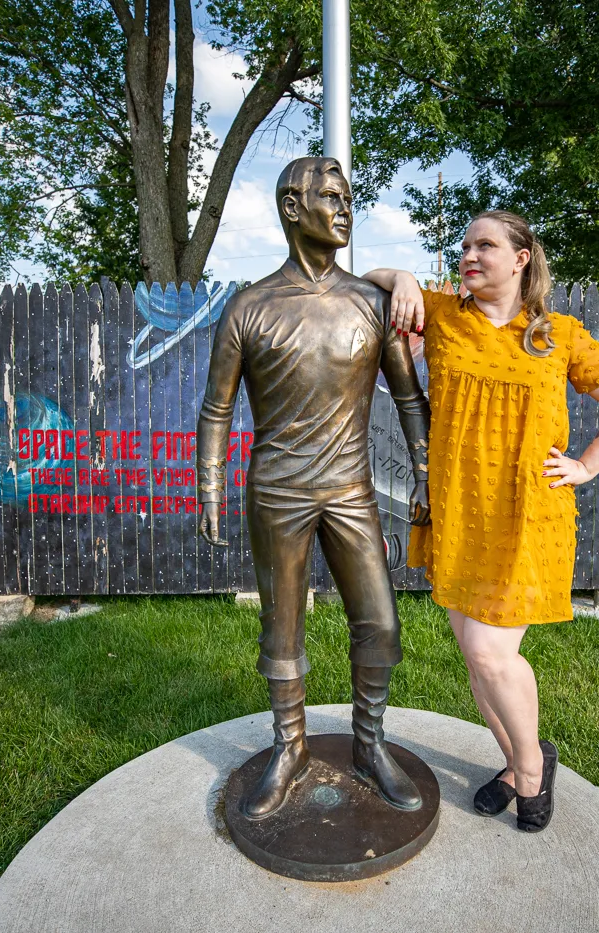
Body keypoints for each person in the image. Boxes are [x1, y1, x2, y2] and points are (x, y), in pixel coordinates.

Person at [363, 210, 599, 832]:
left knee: (493, 654)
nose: (470, 254)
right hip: (460, 512)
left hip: (528, 517)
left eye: (485, 245)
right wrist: (404, 276)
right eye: (464, 245)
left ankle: (528, 771)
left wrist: (587, 465)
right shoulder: (442, 316)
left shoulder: (560, 335)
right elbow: (366, 275)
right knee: (474, 656)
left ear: (522, 258)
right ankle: (522, 760)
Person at [196, 157, 432, 819]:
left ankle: (369, 743)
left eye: (348, 196)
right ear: (292, 207)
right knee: (282, 632)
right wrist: (208, 484)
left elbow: (409, 397)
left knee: (381, 625)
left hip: (350, 490)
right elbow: (216, 408)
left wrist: (424, 470)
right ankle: (289, 747)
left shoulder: (371, 303)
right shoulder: (249, 307)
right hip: (277, 492)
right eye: (331, 195)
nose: (345, 206)